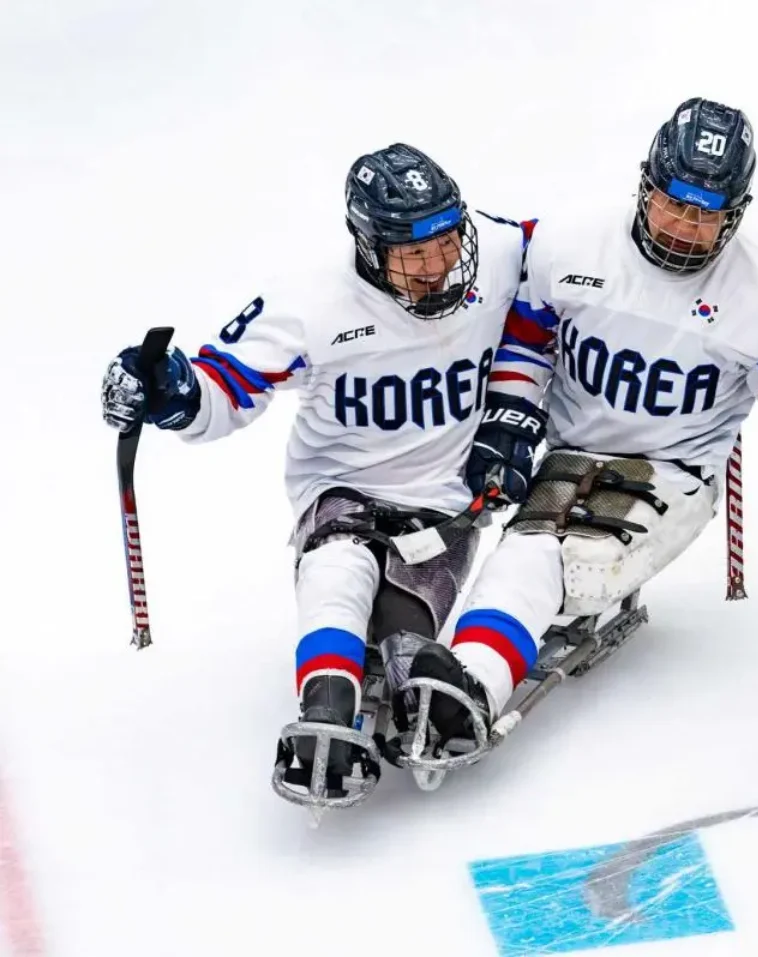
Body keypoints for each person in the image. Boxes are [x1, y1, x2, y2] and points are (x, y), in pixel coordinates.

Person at [400, 97, 758, 748]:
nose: (682, 227)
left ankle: (474, 680)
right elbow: (526, 337)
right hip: (569, 452)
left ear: (736, 214)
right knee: (531, 547)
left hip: (675, 472)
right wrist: (510, 413)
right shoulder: (568, 241)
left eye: (706, 215)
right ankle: (470, 680)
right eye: (671, 203)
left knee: (575, 561)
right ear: (645, 185)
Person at [99, 143, 529, 797]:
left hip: (444, 497)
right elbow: (221, 391)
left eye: (447, 243)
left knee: (406, 620)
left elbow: (578, 260)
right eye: (414, 253)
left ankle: (411, 669)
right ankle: (325, 702)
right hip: (340, 488)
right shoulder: (310, 302)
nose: (438, 265)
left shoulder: (497, 252)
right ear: (368, 245)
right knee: (337, 568)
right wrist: (170, 389)